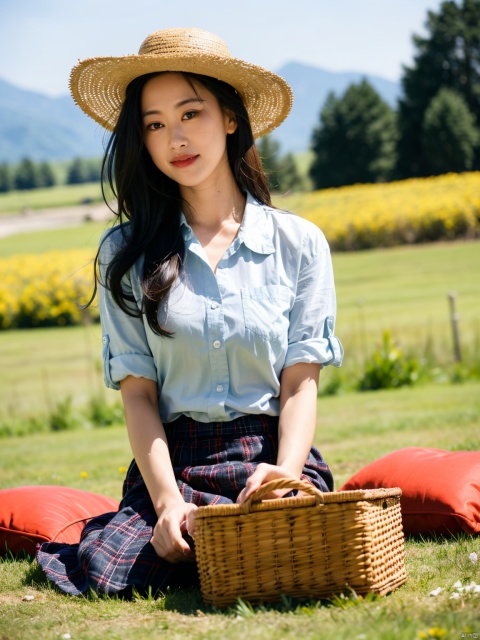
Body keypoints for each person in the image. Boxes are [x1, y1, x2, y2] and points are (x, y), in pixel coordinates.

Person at [37, 27, 343, 597]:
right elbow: (139, 396)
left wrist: (288, 475)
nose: (174, 137)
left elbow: (301, 384)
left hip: (271, 458)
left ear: (230, 117)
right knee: (131, 566)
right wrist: (167, 502)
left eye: (190, 113)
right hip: (175, 464)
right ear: (142, 141)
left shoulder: (300, 243)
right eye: (154, 124)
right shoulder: (123, 254)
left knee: (281, 546)